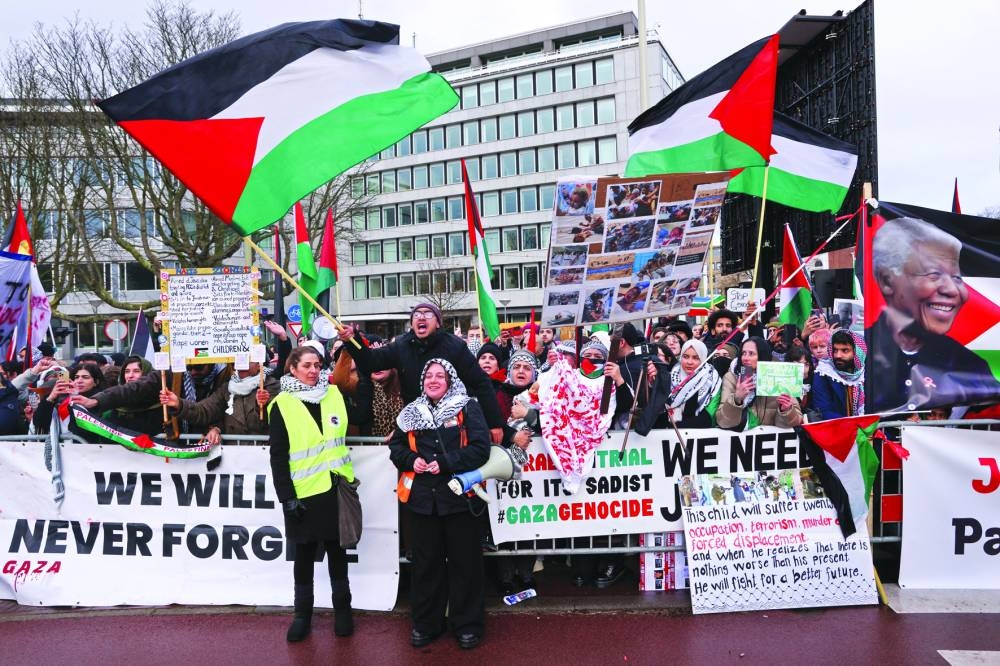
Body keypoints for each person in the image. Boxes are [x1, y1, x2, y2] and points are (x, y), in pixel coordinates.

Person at [388, 359, 490, 650]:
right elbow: (396, 447)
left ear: (450, 380)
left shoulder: (468, 407)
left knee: (465, 565)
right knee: (425, 566)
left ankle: (467, 625)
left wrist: (445, 462)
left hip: (459, 500)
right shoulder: (411, 411)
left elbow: (481, 449)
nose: (433, 380)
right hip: (422, 502)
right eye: (428, 376)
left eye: (440, 376)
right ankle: (426, 624)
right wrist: (412, 460)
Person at [268, 346, 355, 642]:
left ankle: (343, 610)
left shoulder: (334, 394)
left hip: (336, 488)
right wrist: (287, 497)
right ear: (292, 368)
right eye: (306, 365)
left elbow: (358, 416)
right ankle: (302, 615)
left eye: (317, 365)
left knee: (337, 553)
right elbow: (278, 457)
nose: (313, 370)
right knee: (304, 557)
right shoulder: (281, 404)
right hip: (302, 494)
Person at [869, 216, 1000, 412]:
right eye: (934, 274)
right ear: (887, 280)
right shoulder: (860, 354)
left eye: (956, 277)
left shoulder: (971, 366)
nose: (952, 290)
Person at [339, 303, 504, 443]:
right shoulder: (401, 346)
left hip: (451, 425)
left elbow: (481, 382)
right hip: (417, 425)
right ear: (412, 324)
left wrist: (494, 423)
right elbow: (371, 362)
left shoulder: (455, 346)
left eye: (428, 314)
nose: (421, 317)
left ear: (438, 323)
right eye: (417, 315)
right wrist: (352, 341)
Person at [716, 337, 802, 430]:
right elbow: (723, 421)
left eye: (751, 353)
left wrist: (786, 410)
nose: (745, 358)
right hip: (741, 436)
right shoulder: (731, 377)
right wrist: (737, 399)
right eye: (743, 353)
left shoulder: (779, 374)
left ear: (762, 355)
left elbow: (796, 420)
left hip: (769, 437)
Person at [34, 363, 108, 441]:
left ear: (96, 382)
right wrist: (51, 398)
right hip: (61, 446)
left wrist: (75, 397)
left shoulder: (100, 401)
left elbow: (88, 429)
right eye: (76, 377)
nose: (79, 381)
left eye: (85, 377)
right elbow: (39, 422)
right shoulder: (61, 399)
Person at [812, 330, 867, 420]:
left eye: (845, 350)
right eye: (835, 350)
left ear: (857, 353)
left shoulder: (867, 372)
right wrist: (854, 425)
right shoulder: (824, 373)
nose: (838, 356)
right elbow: (824, 411)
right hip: (837, 426)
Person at [104, 355, 165, 436]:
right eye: (127, 371)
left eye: (136, 371)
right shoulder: (116, 403)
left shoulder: (162, 404)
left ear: (148, 375)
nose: (130, 375)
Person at [667, 339, 721, 429]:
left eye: (696, 358)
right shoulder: (672, 375)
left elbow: (708, 417)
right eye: (686, 356)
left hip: (699, 435)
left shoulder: (712, 380)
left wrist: (677, 427)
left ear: (703, 359)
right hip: (668, 434)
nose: (689, 362)